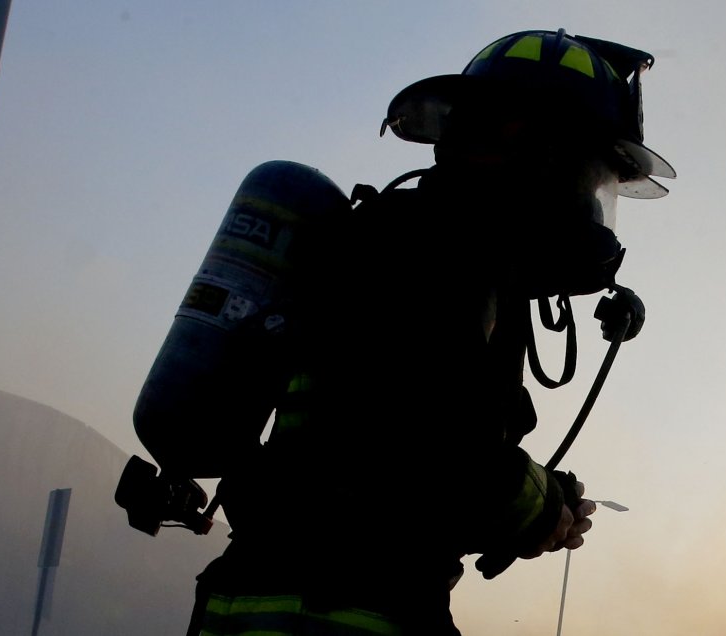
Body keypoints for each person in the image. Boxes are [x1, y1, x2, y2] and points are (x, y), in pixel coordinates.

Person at [184, 28, 675, 636]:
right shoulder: (439, 257)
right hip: (344, 609)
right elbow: (445, 460)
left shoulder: (404, 241)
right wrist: (546, 507)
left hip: (280, 598)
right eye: (593, 175)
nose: (594, 208)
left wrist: (534, 503)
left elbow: (395, 461)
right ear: (537, 151)